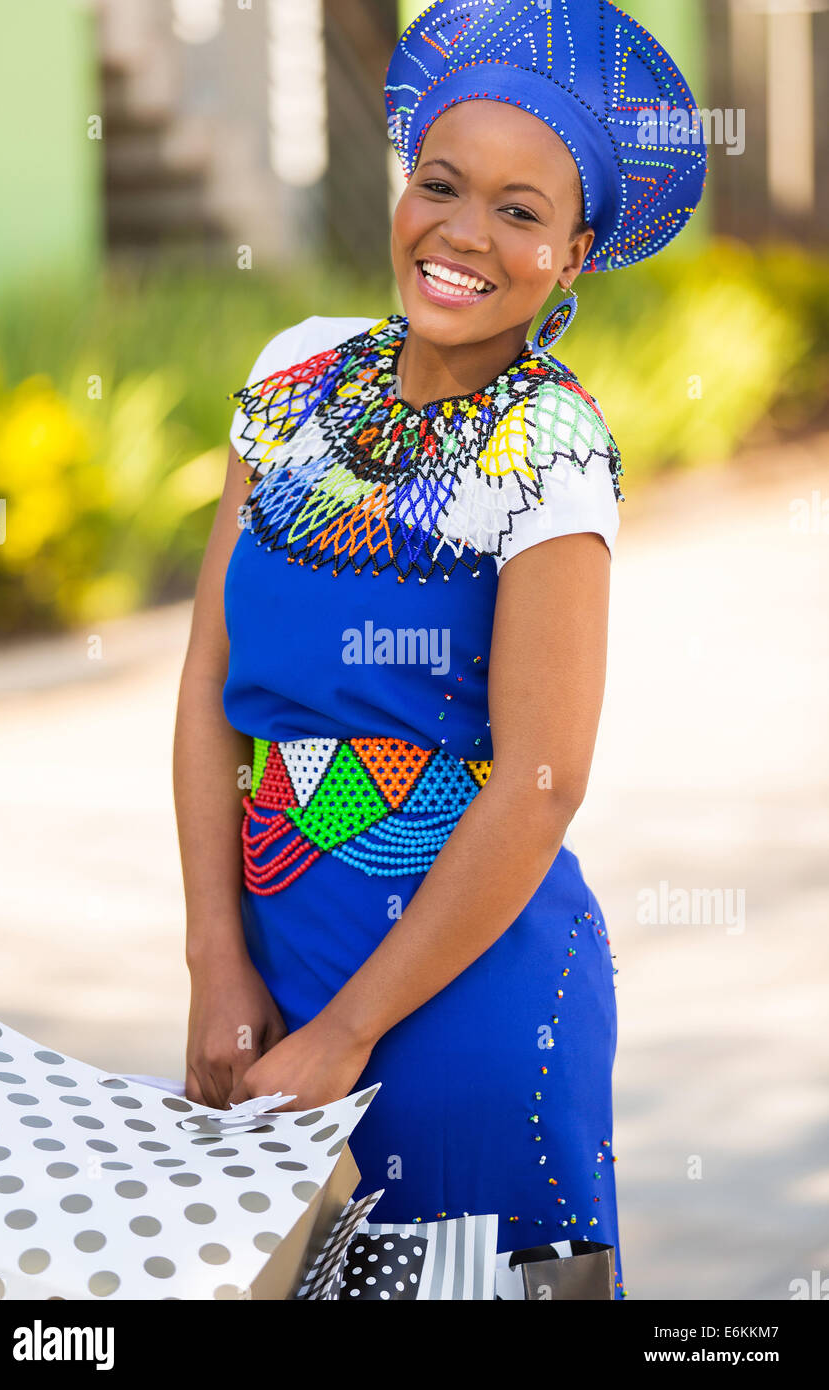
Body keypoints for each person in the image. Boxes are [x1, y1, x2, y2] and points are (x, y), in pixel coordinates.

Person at [174, 0, 707, 1297]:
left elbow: (541, 780)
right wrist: (215, 959)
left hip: (465, 996)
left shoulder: (551, 451)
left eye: (520, 212)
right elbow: (207, 685)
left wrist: (350, 1029)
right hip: (271, 954)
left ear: (575, 252)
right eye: (441, 185)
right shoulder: (292, 376)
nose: (464, 233)